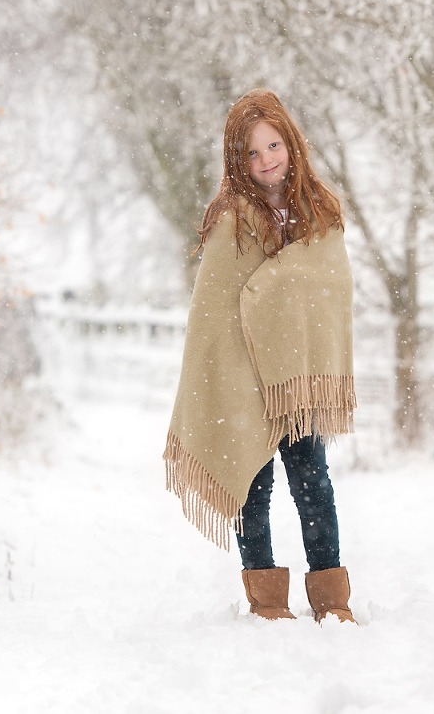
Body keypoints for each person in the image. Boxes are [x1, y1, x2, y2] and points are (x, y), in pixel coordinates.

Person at [163, 89, 357, 624]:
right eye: (252, 152)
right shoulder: (231, 222)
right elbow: (216, 315)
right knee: (252, 485)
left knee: (312, 481)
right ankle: (267, 602)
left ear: (290, 143)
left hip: (298, 379)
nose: (266, 159)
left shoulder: (319, 213)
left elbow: (330, 293)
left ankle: (332, 600)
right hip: (244, 379)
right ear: (237, 160)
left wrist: (281, 293)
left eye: (273, 145)